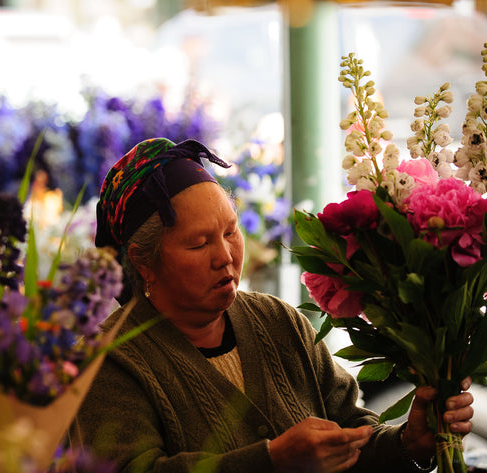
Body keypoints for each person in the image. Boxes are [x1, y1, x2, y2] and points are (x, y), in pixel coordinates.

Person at [69, 137, 475, 473]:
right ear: (144, 261)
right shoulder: (110, 360)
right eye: (198, 243)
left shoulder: (278, 321)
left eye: (231, 231)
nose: (224, 256)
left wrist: (408, 442)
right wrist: (272, 461)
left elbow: (350, 431)